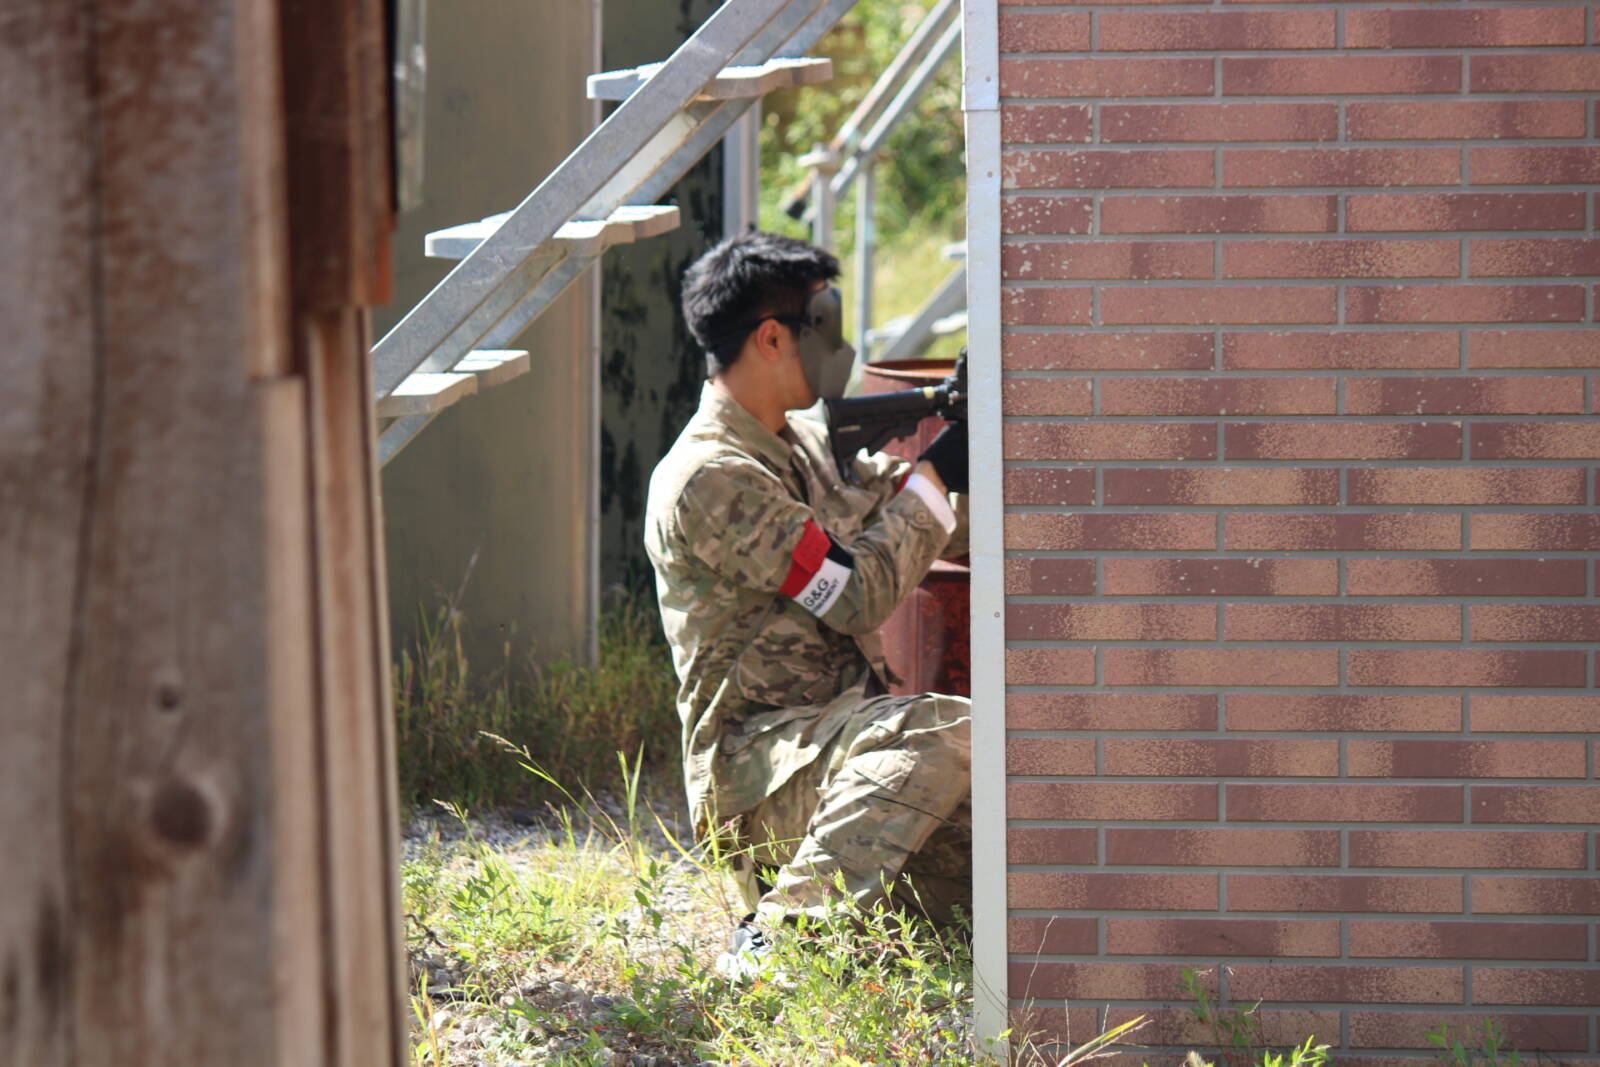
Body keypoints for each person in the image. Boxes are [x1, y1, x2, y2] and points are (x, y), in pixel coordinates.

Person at [642, 231, 971, 968]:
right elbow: (857, 595)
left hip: (849, 760)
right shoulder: (712, 478)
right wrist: (937, 473)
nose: (840, 345)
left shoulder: (807, 448)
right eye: (823, 322)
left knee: (1012, 827)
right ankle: (777, 944)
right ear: (771, 337)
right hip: (761, 778)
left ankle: (860, 919)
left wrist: (995, 452)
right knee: (943, 728)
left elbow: (930, 522)